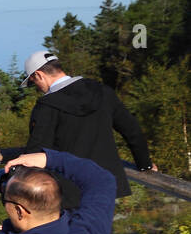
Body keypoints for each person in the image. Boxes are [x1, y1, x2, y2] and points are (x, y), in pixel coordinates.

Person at [21, 50, 156, 197]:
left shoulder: (46, 106)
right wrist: (145, 164)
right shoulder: (103, 91)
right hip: (107, 185)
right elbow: (132, 130)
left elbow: (36, 152)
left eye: (34, 82)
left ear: (39, 75)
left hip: (68, 190)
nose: (38, 88)